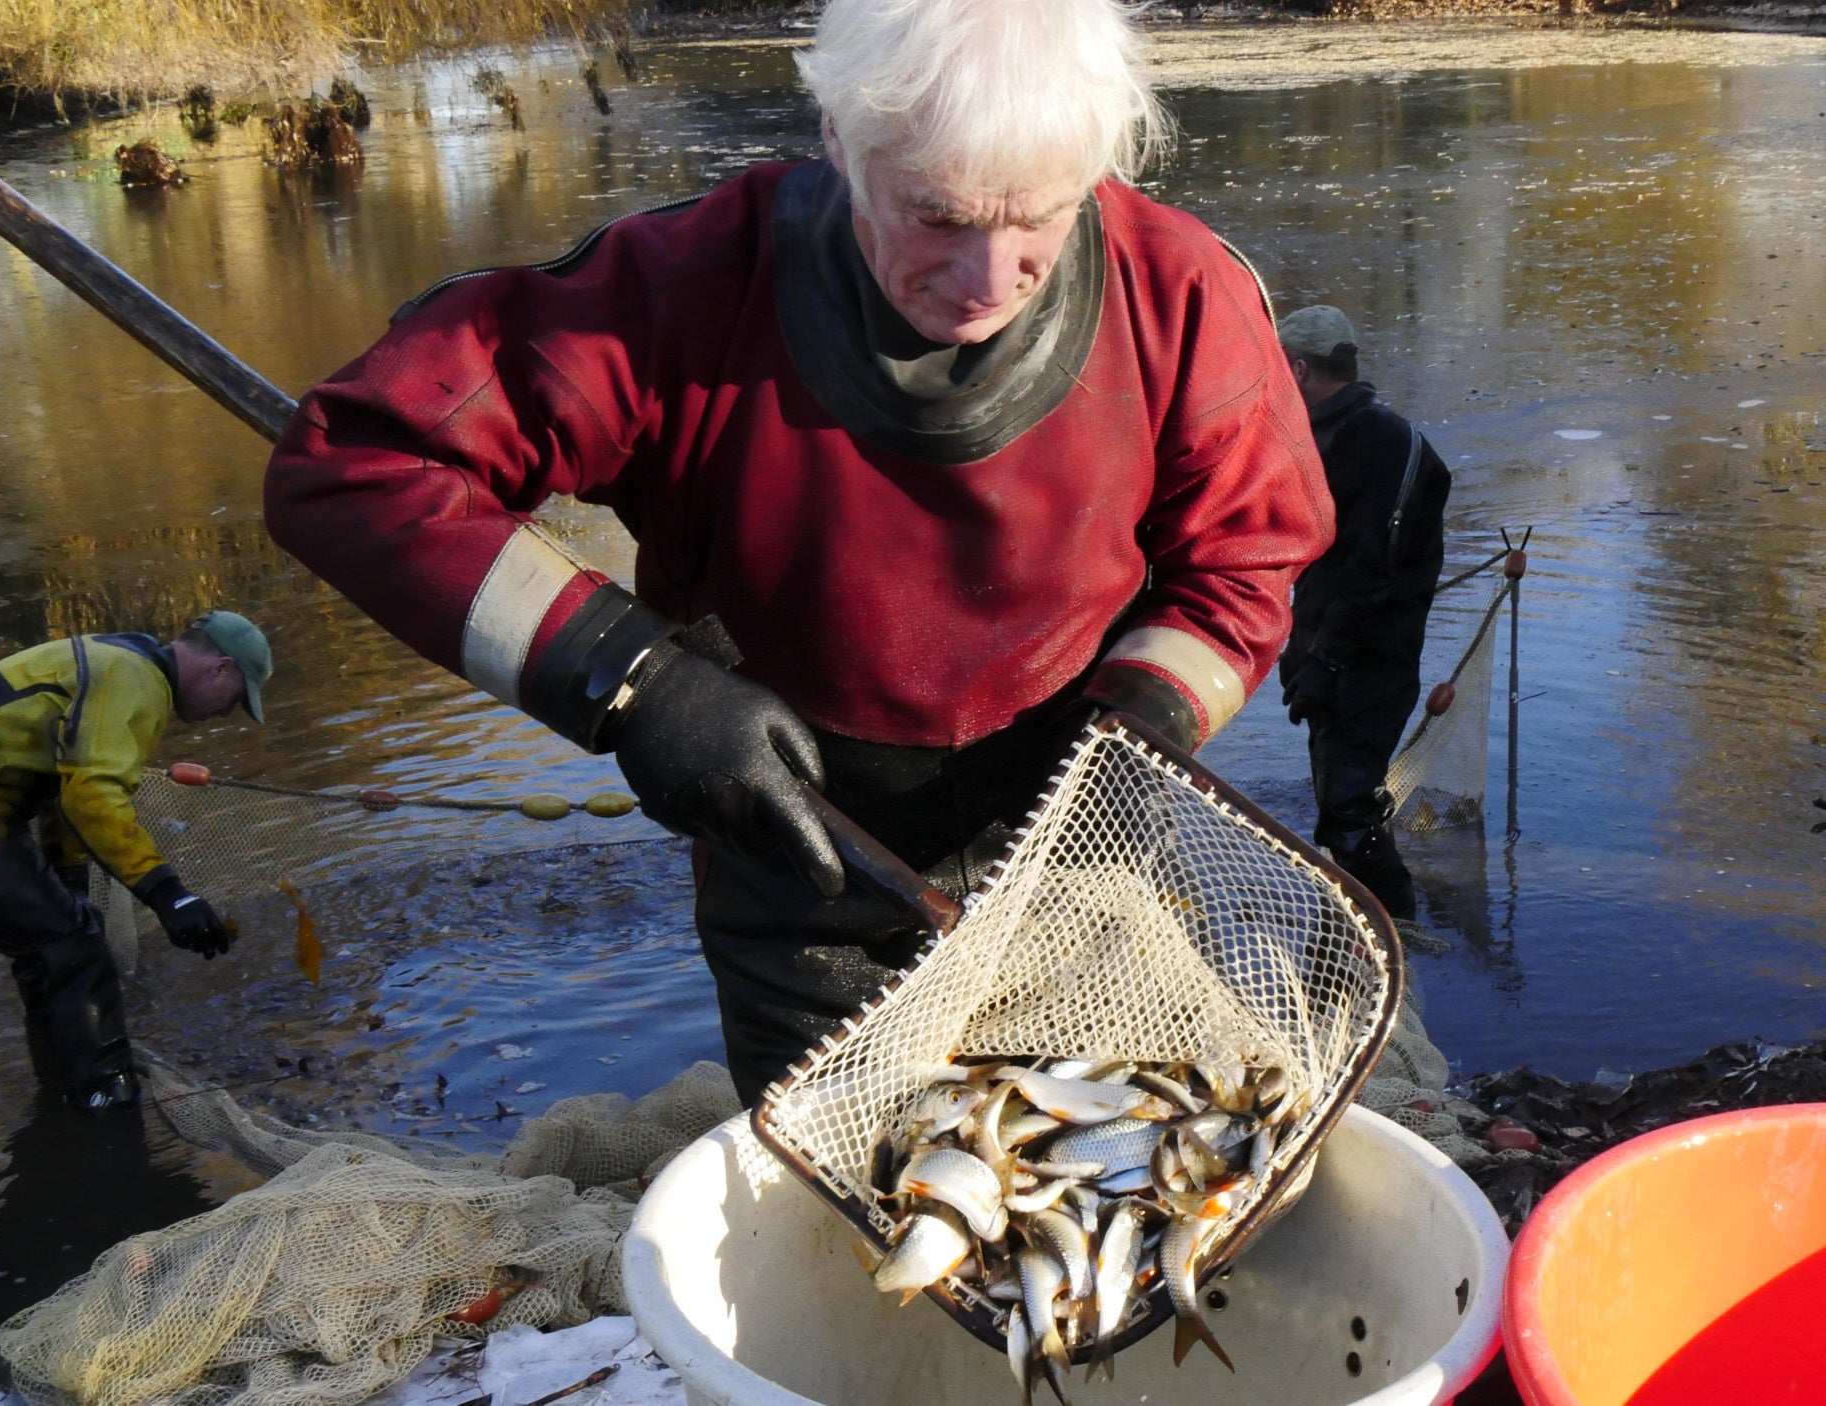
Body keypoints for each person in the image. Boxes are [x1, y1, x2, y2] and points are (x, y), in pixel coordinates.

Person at [265, 0, 1333, 1102]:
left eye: (1039, 223)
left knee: (1089, 1172)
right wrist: (629, 680)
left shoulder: (1181, 291)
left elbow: (1249, 555)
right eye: (937, 216)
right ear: (839, 140)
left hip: (1081, 842)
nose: (985, 279)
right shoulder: (680, 294)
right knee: (859, 1204)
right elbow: (355, 465)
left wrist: (1143, 721)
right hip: (790, 834)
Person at [0, 612, 272, 1111]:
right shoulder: (134, 680)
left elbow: (65, 783)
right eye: (237, 699)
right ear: (220, 668)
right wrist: (168, 893)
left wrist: (68, 876)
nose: (229, 713)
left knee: (53, 942)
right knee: (74, 945)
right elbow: (92, 797)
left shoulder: (129, 661)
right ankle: (104, 1098)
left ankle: (58, 1080)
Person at [1275, 305, 1451, 919]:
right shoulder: (1311, 438)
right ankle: (1352, 931)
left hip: (1373, 658)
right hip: (1325, 650)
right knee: (1334, 800)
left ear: (1297, 368)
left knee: (1350, 807)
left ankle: (1393, 932)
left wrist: (1326, 659)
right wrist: (1297, 650)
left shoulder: (1386, 441)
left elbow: (1373, 569)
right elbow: (1310, 559)